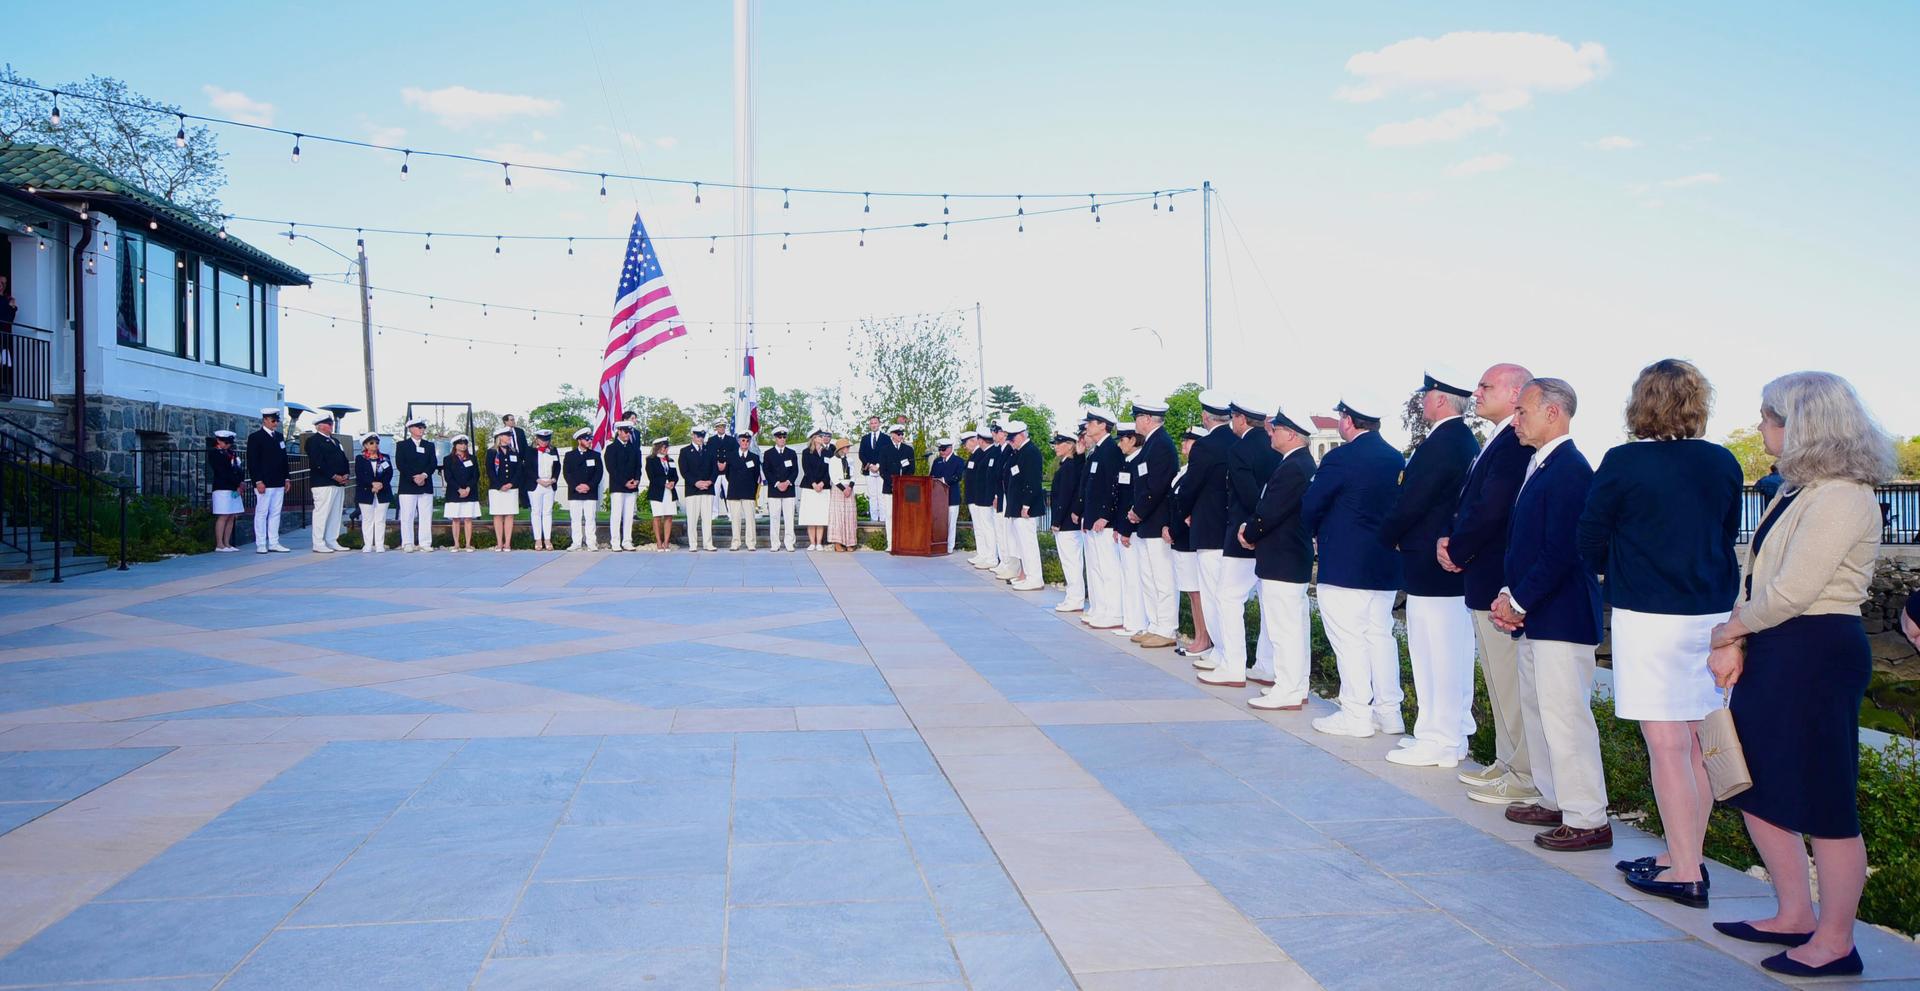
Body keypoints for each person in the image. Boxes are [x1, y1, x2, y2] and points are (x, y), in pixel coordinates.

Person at [1705, 371, 1895, 978]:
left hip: (1816, 650)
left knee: (1826, 796)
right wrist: (1741, 637)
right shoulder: (1797, 489)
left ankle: (1835, 942)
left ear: (1802, 424)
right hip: (1779, 645)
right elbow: (1758, 578)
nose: (1761, 426)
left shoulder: (1841, 495)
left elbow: (1793, 591)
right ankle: (1793, 914)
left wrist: (1728, 631)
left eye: (1769, 417)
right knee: (1756, 783)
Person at [1576, 359, 1742, 906]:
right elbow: (1725, 535)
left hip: (1649, 614)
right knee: (1698, 740)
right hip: (1712, 614)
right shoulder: (1722, 462)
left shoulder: (1624, 461)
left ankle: (1685, 871)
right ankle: (1681, 853)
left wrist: (1621, 567)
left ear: (1640, 402)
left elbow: (1590, 537)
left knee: (1667, 744)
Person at [1491, 378, 1610, 852]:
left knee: (1565, 717)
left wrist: (1519, 601)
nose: (1515, 421)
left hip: (1562, 616)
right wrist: (1510, 592)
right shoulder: (1542, 464)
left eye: (1522, 411)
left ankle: (1587, 817)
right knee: (1540, 710)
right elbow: (1526, 543)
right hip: (1540, 614)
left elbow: (1563, 549)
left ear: (1552, 413)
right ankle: (1555, 798)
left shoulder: (1571, 469)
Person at [1439, 363, 1539, 805]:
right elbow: (1471, 502)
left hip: (1498, 578)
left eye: (1486, 386)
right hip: (1483, 576)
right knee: (1499, 681)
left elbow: (1492, 507)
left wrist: (1458, 549)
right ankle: (1506, 760)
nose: (1476, 392)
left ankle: (1522, 773)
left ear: (1516, 393)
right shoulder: (1498, 439)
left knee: (1510, 683)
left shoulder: (1515, 442)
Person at [1380, 374, 1482, 769]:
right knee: (1449, 651)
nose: (1422, 400)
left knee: (1435, 654)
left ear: (1440, 399)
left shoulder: (1444, 442)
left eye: (1427, 394)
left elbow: (1413, 500)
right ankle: (1448, 733)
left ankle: (1439, 738)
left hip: (1432, 562)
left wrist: (1387, 535)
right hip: (1441, 563)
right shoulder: (1460, 439)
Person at [1303, 395, 1406, 737]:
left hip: (1345, 562)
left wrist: (1314, 532)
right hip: (1385, 562)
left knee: (1349, 639)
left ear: (1347, 420)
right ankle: (1389, 712)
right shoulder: (1395, 457)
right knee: (1380, 636)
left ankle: (1356, 714)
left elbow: (1312, 505)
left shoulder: (1340, 458)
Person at [1238, 409, 1317, 710]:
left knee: (1285, 629)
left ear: (1292, 434)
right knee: (1292, 626)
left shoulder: (1294, 467)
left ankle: (1288, 689)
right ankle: (1296, 686)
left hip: (1283, 556)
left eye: (1277, 429)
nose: (1271, 433)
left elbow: (1271, 510)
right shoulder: (1298, 463)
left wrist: (1249, 532)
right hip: (1288, 555)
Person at [1200, 397, 1280, 686]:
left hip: (1243, 534)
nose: (1232, 422)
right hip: (1270, 534)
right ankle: (1266, 665)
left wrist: (1251, 530)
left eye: (1233, 417)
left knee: (1228, 598)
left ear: (1242, 419)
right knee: (1268, 605)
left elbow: (1247, 495)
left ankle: (1233, 665)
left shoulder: (1239, 449)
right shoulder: (1274, 447)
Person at [1183, 391, 1236, 666]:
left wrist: (1184, 511)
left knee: (1213, 595)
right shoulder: (1238, 441)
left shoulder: (1205, 446)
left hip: (1208, 527)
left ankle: (1221, 653)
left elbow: (1191, 486)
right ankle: (1228, 652)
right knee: (1229, 596)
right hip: (1232, 527)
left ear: (1205, 417)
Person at [1128, 400, 1181, 648]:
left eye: (1137, 417)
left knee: (1162, 578)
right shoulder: (1151, 444)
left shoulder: (1161, 445)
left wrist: (1138, 511)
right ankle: (1155, 624)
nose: (1135, 422)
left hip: (1158, 520)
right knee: (1148, 577)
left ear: (1148, 418)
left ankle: (1167, 628)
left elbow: (1158, 486)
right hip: (1147, 522)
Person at [1078, 409, 1124, 629]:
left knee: (1108, 568)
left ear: (1103, 425)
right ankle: (1100, 608)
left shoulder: (1111, 451)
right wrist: (1086, 515)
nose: (1087, 426)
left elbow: (1113, 486)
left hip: (1104, 522)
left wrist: (1105, 515)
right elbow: (1090, 487)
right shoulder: (1097, 451)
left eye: (1091, 422)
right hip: (1093, 519)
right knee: (1096, 568)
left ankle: (1114, 613)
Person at [1170, 424, 1213, 654]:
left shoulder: (1197, 470)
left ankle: (1204, 638)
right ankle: (1199, 635)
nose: (1184, 444)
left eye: (1189, 440)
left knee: (1197, 592)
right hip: (1180, 538)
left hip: (1189, 538)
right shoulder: (1185, 470)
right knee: (1190, 590)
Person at [1110, 426, 1147, 630]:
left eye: (1122, 439)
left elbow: (1133, 500)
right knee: (1128, 576)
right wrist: (1118, 526)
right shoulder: (1128, 463)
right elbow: (1120, 499)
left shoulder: (1138, 463)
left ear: (1133, 440)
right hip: (1124, 526)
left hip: (1132, 529)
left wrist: (1125, 529)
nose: (1119, 444)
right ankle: (1130, 621)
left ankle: (1137, 623)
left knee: (1134, 578)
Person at [1003, 421, 1046, 591]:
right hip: (1017, 506)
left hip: (1025, 507)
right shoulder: (1019, 452)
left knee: (1028, 545)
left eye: (1012, 439)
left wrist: (1026, 504)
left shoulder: (1031, 452)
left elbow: (1033, 481)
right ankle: (1027, 575)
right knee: (1021, 545)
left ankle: (1035, 578)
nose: (1010, 443)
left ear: (1022, 435)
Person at [1048, 432, 1086, 611]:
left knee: (1071, 562)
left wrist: (1056, 521)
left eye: (1059, 443)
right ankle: (1073, 597)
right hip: (1067, 523)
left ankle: (1075, 598)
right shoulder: (1068, 465)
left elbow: (1064, 496)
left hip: (1067, 524)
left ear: (1070, 445)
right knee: (1070, 562)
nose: (1055, 446)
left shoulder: (1069, 467)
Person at [305, 411, 352, 553]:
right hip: (323, 482)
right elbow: (317, 462)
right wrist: (333, 475)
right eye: (328, 424)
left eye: (331, 423)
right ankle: (318, 542)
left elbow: (343, 459)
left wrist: (346, 474)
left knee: (335, 513)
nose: (331, 426)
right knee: (322, 513)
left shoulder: (335, 441)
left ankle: (332, 540)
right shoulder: (313, 441)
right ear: (319, 426)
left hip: (338, 483)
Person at [247, 408, 291, 553]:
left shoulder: (279, 436)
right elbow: (253, 461)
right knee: (262, 512)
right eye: (273, 420)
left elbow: (284, 459)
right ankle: (261, 543)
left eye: (277, 421)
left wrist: (287, 478)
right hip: (264, 482)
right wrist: (258, 481)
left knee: (275, 512)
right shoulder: (256, 437)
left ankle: (273, 542)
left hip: (278, 480)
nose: (275, 423)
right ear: (265, 420)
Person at [395, 418, 438, 552]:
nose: (422, 430)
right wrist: (414, 477)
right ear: (411, 429)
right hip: (408, 485)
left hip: (425, 483)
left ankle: (425, 542)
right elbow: (401, 464)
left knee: (426, 515)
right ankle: (407, 542)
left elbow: (433, 463)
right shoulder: (402, 445)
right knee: (407, 515)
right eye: (419, 427)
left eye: (423, 427)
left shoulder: (429, 445)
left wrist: (424, 475)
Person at [965, 429, 1001, 568]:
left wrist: (994, 496)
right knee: (982, 528)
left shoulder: (993, 453)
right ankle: (984, 555)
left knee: (988, 528)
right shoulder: (985, 453)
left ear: (980, 440)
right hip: (980, 497)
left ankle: (991, 558)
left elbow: (993, 478)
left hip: (987, 498)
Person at [679, 428, 718, 552]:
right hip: (692, 490)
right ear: (693, 436)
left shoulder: (710, 450)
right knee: (692, 518)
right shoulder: (685, 451)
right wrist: (696, 483)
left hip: (707, 488)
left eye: (702, 436)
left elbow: (715, 469)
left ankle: (708, 543)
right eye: (698, 436)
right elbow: (684, 471)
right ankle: (693, 544)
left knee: (707, 518)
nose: (700, 438)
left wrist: (710, 481)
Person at [563, 428, 602, 551]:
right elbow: (567, 473)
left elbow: (598, 474)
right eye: (586, 439)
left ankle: (591, 542)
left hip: (590, 492)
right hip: (575, 492)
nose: (589, 441)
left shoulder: (595, 455)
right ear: (579, 440)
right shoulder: (570, 455)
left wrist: (589, 486)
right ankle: (576, 542)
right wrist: (576, 486)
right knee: (575, 518)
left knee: (590, 518)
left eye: (590, 439)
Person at [605, 422, 642, 551]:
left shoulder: (635, 448)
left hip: (632, 487)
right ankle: (615, 542)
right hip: (618, 486)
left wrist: (636, 480)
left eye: (629, 432)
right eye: (625, 432)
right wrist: (624, 482)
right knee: (616, 515)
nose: (627, 434)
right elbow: (612, 469)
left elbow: (638, 467)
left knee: (629, 515)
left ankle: (627, 541)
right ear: (619, 431)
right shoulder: (611, 448)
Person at [353, 433, 393, 553]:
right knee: (367, 519)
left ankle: (380, 544)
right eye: (371, 443)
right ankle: (368, 544)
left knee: (380, 519)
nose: (375, 445)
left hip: (383, 491)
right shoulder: (360, 458)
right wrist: (372, 484)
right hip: (366, 492)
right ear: (365, 445)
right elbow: (360, 475)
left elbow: (389, 473)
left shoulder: (385, 458)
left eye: (377, 443)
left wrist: (380, 484)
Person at [762, 427, 801, 551]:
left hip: (788, 490)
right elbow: (767, 471)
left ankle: (789, 542)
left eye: (784, 437)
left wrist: (787, 482)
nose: (782, 439)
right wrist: (777, 483)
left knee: (789, 518)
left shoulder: (791, 453)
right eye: (780, 437)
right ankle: (775, 543)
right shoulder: (768, 453)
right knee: (774, 517)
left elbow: (795, 471)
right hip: (774, 489)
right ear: (775, 438)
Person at [207, 431, 246, 552]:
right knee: (223, 515)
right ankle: (220, 544)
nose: (228, 445)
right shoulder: (215, 453)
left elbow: (237, 469)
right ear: (218, 440)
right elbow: (222, 472)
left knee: (232, 515)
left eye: (229, 443)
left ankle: (227, 543)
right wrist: (236, 483)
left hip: (233, 487)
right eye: (226, 442)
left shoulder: (230, 453)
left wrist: (240, 482)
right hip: (222, 487)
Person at [442, 435, 481, 552]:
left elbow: (476, 475)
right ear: (455, 445)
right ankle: (456, 544)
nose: (463, 446)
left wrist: (468, 488)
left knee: (468, 518)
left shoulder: (472, 458)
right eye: (460, 444)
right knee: (456, 519)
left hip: (470, 492)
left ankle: (468, 544)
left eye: (465, 444)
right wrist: (459, 489)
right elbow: (448, 477)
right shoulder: (448, 459)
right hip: (454, 493)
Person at [725, 432, 762, 551]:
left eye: (747, 441)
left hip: (748, 491)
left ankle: (751, 543)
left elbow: (756, 475)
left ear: (750, 442)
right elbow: (727, 474)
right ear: (738, 441)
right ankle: (735, 542)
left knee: (750, 519)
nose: (745, 443)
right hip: (734, 491)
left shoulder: (754, 457)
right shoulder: (730, 456)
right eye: (743, 440)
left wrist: (752, 489)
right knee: (735, 519)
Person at [486, 427, 520, 552]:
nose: (510, 438)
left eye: (510, 436)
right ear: (500, 437)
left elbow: (518, 470)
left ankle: (507, 543)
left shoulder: (514, 451)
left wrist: (511, 483)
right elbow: (490, 470)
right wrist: (499, 485)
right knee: (498, 515)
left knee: (510, 515)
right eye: (507, 435)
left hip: (511, 488)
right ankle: (499, 543)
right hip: (497, 489)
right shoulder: (492, 452)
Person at [929, 437, 966, 552]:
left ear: (950, 448)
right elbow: (932, 476)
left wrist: (943, 480)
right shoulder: (937, 461)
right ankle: (938, 544)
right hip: (938, 499)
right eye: (940, 449)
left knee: (951, 523)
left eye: (944, 449)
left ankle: (949, 546)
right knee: (939, 522)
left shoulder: (958, 461)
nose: (941, 452)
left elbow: (958, 477)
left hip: (952, 497)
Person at [799, 429, 833, 551]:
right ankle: (812, 543)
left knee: (820, 516)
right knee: (811, 516)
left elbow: (830, 470)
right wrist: (814, 483)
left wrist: (823, 483)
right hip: (810, 487)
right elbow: (807, 469)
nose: (823, 437)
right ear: (814, 438)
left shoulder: (828, 453)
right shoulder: (806, 452)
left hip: (824, 488)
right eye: (820, 436)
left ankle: (819, 543)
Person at [883, 423, 913, 550]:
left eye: (902, 434)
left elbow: (911, 469)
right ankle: (891, 543)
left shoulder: (908, 450)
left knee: (904, 516)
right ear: (892, 435)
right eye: (898, 434)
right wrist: (893, 483)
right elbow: (883, 470)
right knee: (890, 515)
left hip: (904, 488)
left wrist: (903, 483)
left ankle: (903, 542)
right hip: (889, 487)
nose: (901, 436)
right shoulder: (885, 449)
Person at [530, 428, 561, 551]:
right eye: (542, 440)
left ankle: (547, 539)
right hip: (536, 484)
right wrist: (538, 480)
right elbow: (527, 468)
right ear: (537, 439)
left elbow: (557, 466)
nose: (544, 442)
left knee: (547, 512)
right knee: (536, 512)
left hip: (549, 484)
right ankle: (538, 539)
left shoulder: (553, 450)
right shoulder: (530, 450)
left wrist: (553, 479)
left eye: (546, 440)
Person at [646, 437, 679, 552]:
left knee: (669, 516)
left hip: (670, 491)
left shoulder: (670, 460)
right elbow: (651, 476)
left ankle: (666, 542)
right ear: (658, 447)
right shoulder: (651, 460)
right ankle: (659, 542)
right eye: (664, 447)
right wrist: (664, 483)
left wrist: (673, 482)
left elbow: (675, 476)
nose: (666, 449)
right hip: (657, 492)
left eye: (667, 447)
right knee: (657, 516)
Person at [828, 437, 860, 550]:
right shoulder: (833, 460)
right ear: (840, 448)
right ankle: (838, 542)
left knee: (850, 515)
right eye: (846, 447)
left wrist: (850, 487)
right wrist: (843, 489)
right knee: (838, 515)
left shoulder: (850, 460)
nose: (848, 449)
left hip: (849, 488)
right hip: (839, 488)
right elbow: (833, 476)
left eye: (848, 447)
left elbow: (853, 475)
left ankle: (849, 542)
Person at [859, 415, 889, 524]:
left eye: (875, 423)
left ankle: (883, 519)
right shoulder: (865, 438)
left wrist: (878, 466)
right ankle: (874, 519)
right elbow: (861, 454)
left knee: (881, 495)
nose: (873, 425)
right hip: (869, 470)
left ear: (879, 424)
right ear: (869, 425)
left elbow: (888, 454)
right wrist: (870, 465)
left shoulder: (886, 438)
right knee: (872, 496)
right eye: (871, 423)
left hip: (882, 470)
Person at [501, 412, 533, 509]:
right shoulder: (502, 432)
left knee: (523, 480)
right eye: (511, 420)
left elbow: (525, 445)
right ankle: (512, 503)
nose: (513, 421)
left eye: (514, 419)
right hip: (509, 459)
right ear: (505, 421)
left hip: (520, 458)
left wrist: (526, 459)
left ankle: (525, 503)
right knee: (512, 480)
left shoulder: (520, 431)